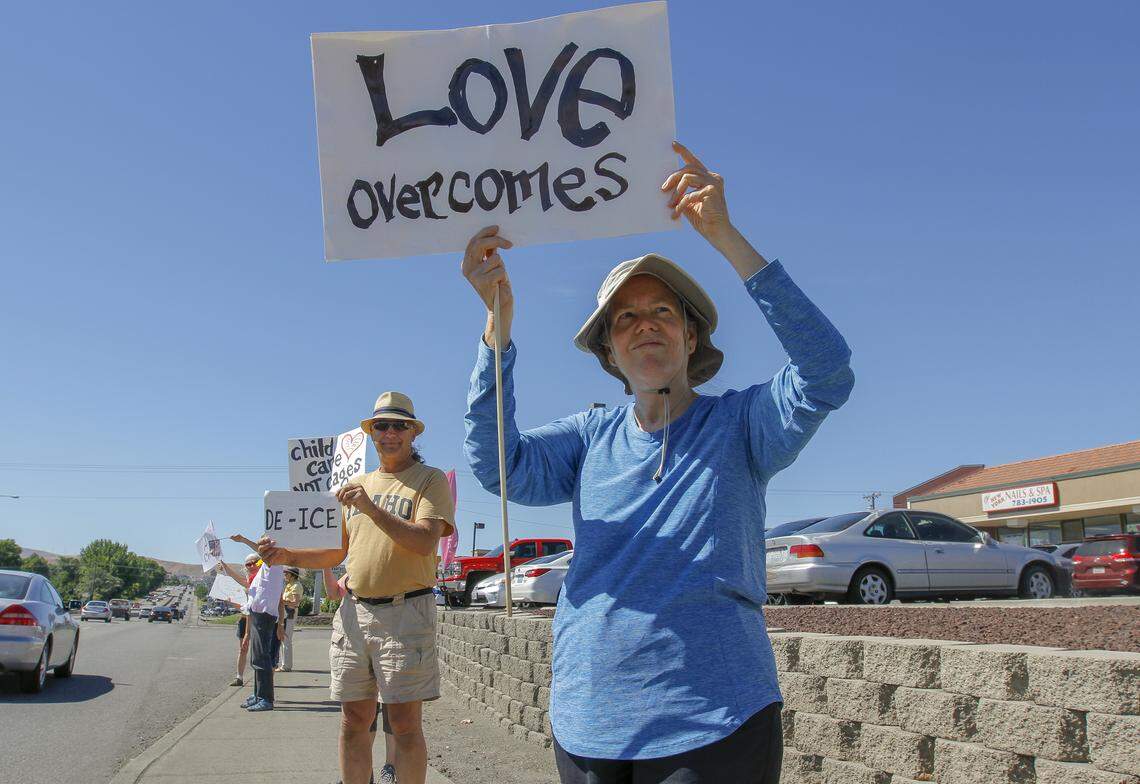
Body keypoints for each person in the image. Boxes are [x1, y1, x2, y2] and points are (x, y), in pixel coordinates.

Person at [461, 141, 855, 782]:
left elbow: (827, 371)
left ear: (690, 336)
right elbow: (497, 464)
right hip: (587, 720)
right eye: (625, 318)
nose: (645, 325)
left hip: (716, 721)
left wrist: (725, 237)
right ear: (609, 352)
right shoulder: (588, 436)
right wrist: (496, 324)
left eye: (663, 312)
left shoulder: (742, 424)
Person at [259, 392, 455, 784]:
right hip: (354, 613)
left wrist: (371, 508)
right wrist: (286, 555)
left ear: (413, 433)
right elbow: (337, 552)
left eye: (399, 425)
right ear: (371, 433)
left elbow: (424, 541)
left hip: (405, 613)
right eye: (381, 426)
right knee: (353, 720)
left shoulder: (429, 480)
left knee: (404, 724)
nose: (389, 433)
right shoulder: (356, 485)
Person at [324, 568, 399, 784]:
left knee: (395, 712)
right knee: (361, 714)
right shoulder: (354, 571)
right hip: (358, 642)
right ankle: (364, 773)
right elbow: (333, 592)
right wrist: (325, 564)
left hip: (392, 636)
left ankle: (390, 767)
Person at [217, 553, 259, 687]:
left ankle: (262, 679)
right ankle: (239, 677)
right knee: (243, 649)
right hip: (244, 618)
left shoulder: (262, 579)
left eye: (255, 562)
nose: (251, 566)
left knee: (259, 650)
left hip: (258, 619)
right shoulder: (247, 581)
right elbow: (242, 605)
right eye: (248, 564)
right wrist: (231, 602)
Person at [275, 566, 304, 672]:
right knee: (283, 639)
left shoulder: (296, 585)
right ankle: (284, 664)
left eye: (287, 573)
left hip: (290, 613)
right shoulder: (290, 585)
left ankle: (286, 666)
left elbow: (295, 602)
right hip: (285, 612)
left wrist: (282, 602)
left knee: (286, 639)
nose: (285, 575)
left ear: (292, 575)